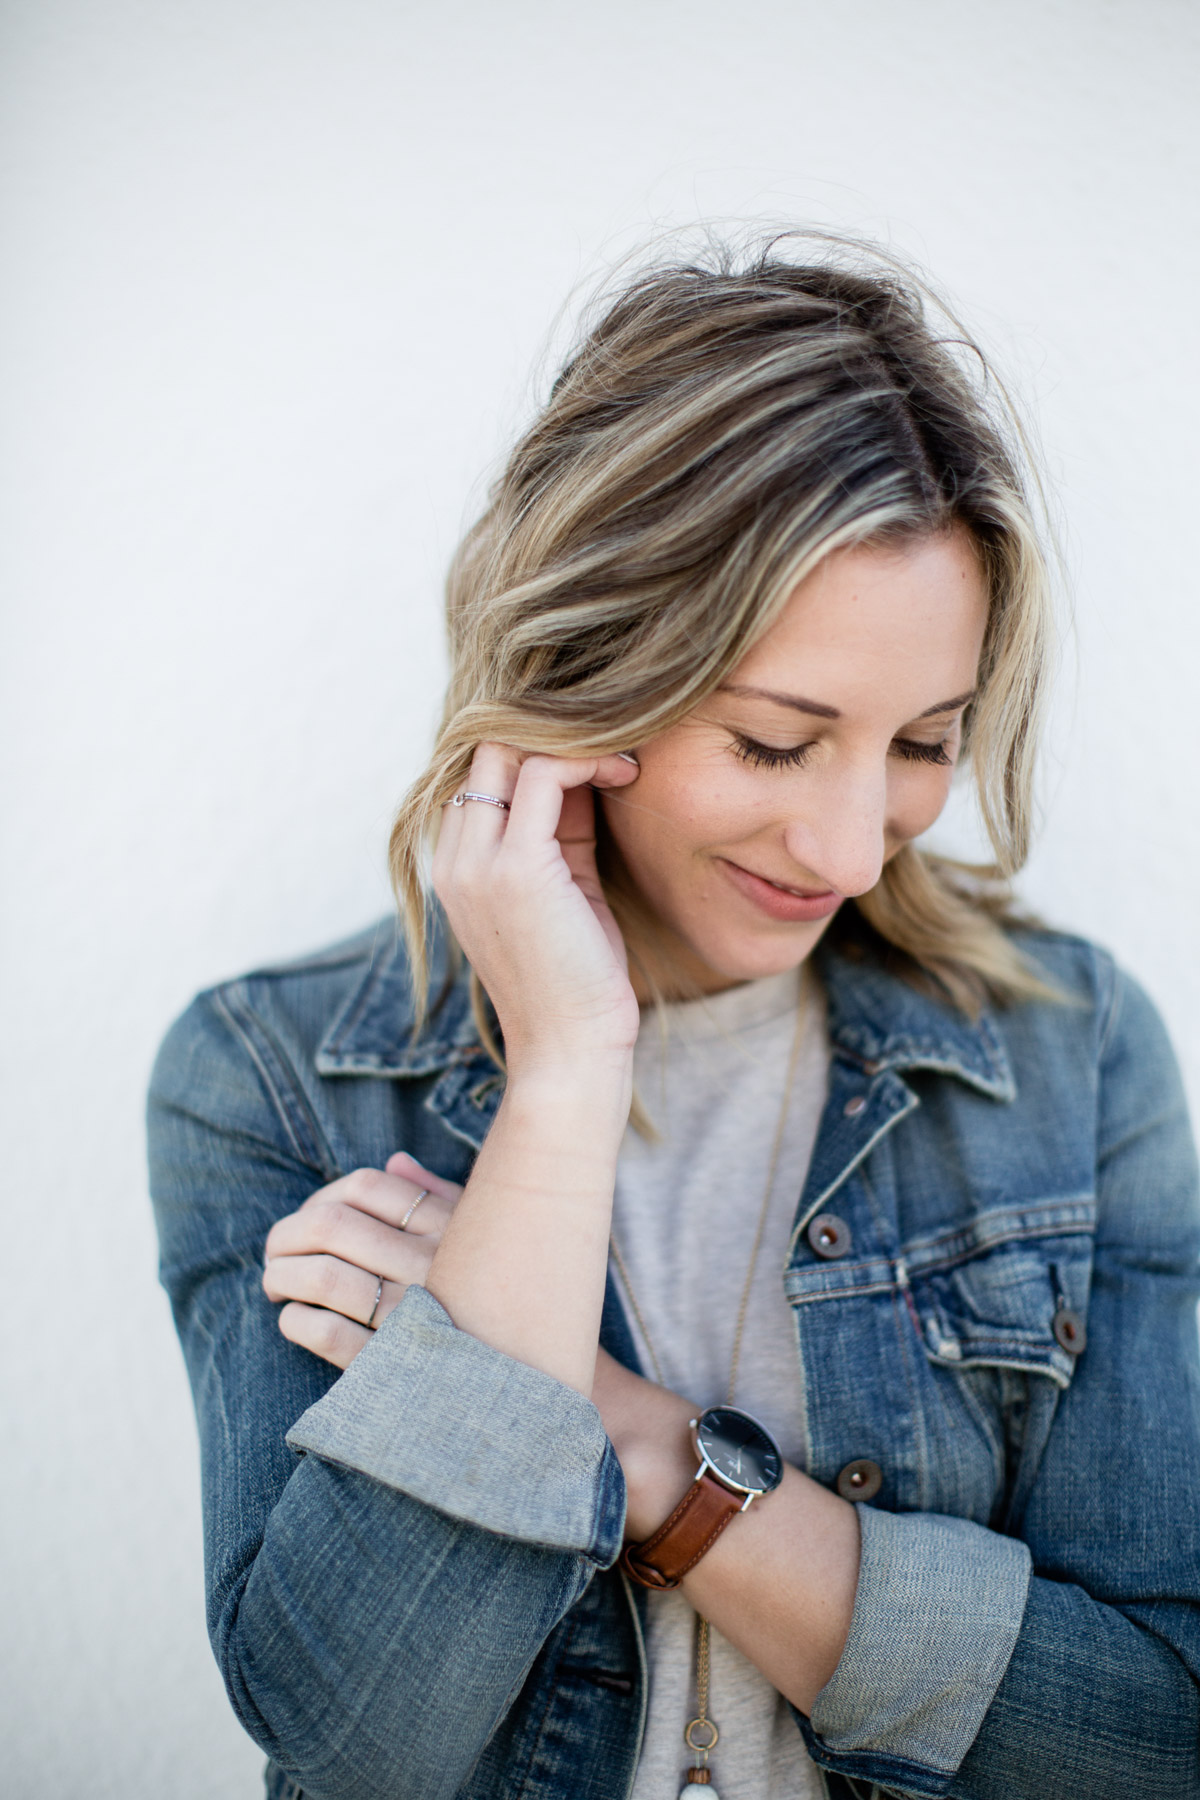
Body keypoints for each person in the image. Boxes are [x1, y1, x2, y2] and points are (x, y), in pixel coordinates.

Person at [148, 240, 1200, 1800]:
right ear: (590, 675)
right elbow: (360, 1741)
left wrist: (642, 1448)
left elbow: (1151, 1732)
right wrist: (566, 1077)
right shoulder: (274, 1083)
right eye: (778, 744)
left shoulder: (1066, 1051)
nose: (853, 852)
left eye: (924, 743)